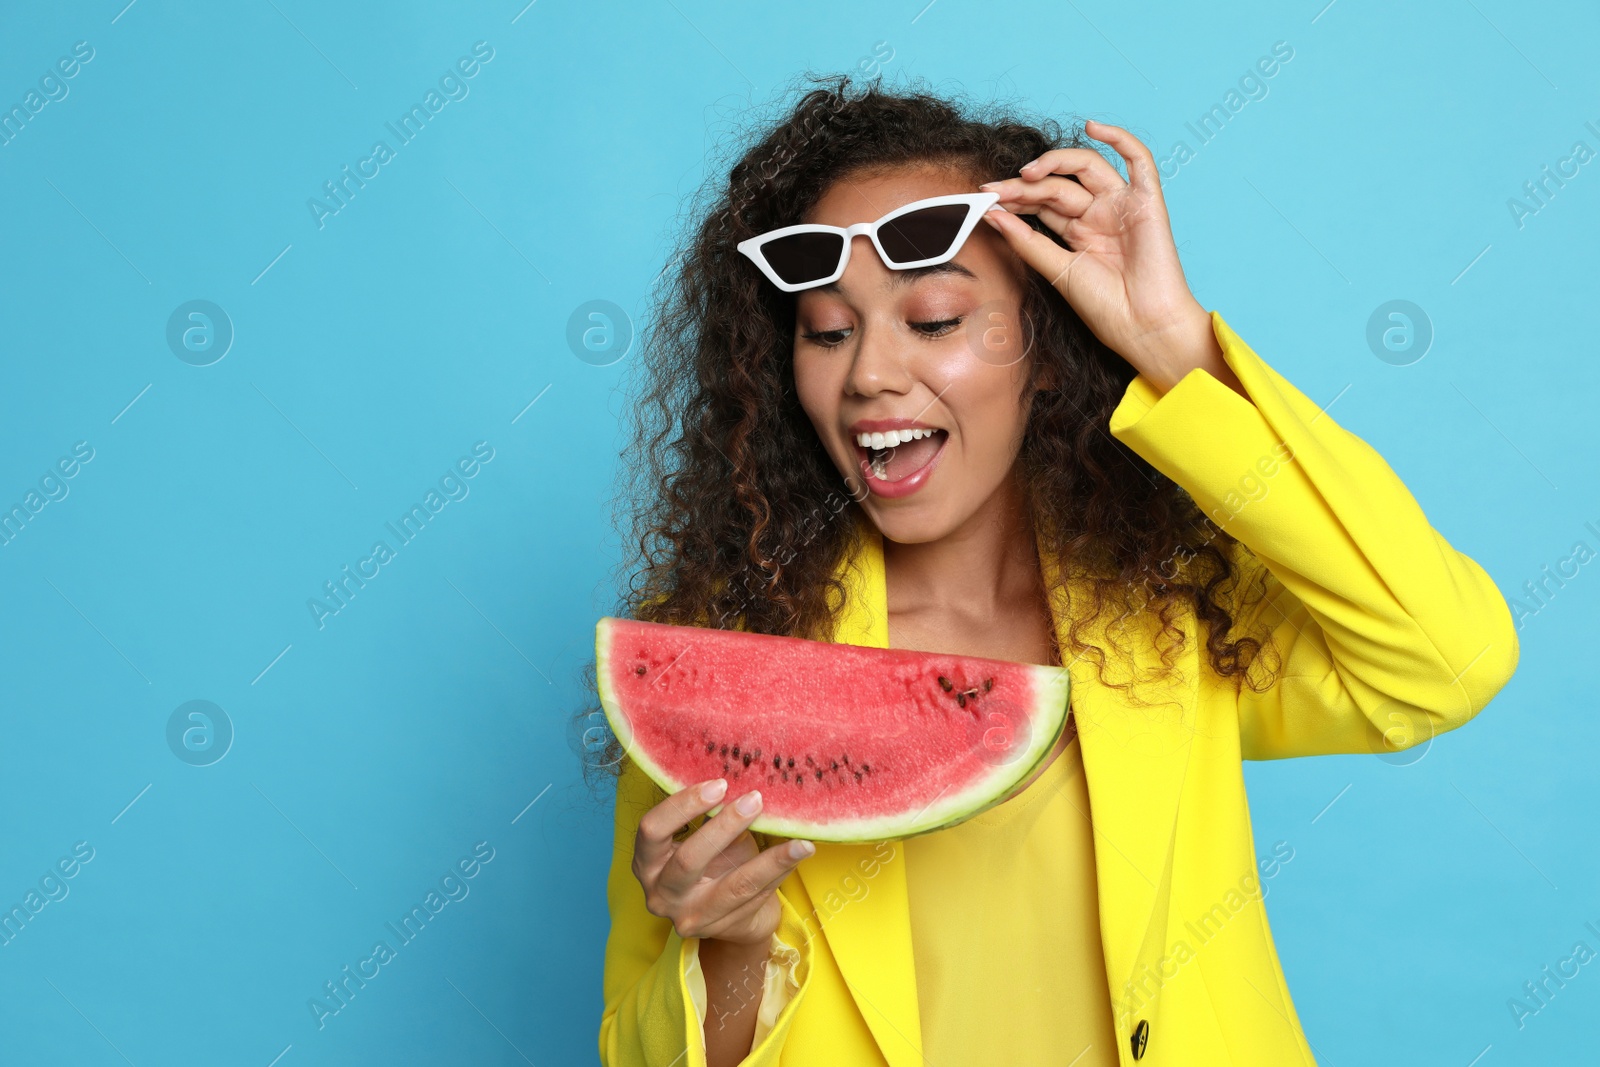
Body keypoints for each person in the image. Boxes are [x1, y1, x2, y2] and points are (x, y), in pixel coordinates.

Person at [584, 74, 1519, 1067]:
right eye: (827, 329)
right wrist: (728, 946)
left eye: (935, 320)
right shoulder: (726, 646)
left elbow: (1443, 659)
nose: (868, 374)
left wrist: (1174, 346)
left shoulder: (1175, 607)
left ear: (1042, 348)